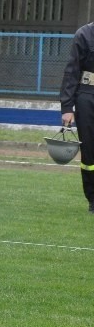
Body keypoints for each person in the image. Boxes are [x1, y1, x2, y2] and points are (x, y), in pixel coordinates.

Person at [60, 21, 94, 213]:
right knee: (89, 153)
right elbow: (72, 71)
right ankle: (93, 199)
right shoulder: (84, 34)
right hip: (88, 97)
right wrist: (67, 106)